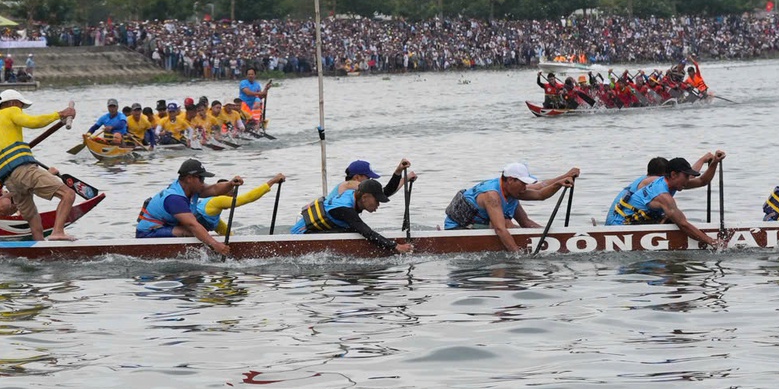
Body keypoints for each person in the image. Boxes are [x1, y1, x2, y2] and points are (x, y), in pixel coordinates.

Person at [0, 90, 79, 240]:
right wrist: (60, 114)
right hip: (23, 170)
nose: (21, 110)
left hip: (9, 180)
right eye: (20, 106)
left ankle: (39, 245)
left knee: (32, 217)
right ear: (11, 104)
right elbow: (33, 122)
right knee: (68, 194)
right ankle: (58, 232)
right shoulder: (11, 111)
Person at [442, 162, 579, 251]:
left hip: (483, 224)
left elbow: (541, 192)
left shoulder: (513, 188)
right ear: (510, 180)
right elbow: (500, 230)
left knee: (525, 223)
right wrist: (518, 256)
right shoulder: (492, 196)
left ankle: (555, 240)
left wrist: (562, 180)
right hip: (459, 229)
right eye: (523, 183)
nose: (525, 188)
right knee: (506, 223)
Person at [605, 153, 725, 247]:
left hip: (633, 219)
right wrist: (712, 242)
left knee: (670, 216)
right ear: (673, 175)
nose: (688, 180)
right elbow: (683, 224)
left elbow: (702, 181)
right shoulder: (662, 195)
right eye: (686, 176)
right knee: (674, 219)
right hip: (619, 225)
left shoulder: (668, 182)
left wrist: (714, 162)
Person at [134, 159, 238, 252]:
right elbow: (193, 225)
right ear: (189, 178)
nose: (203, 182)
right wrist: (215, 244)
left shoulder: (190, 188)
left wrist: (230, 184)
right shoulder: (175, 198)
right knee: (191, 230)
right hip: (148, 233)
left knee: (201, 226)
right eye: (201, 178)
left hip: (167, 226)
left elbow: (215, 189)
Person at [292, 177, 412, 253]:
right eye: (377, 201)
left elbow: (386, 191)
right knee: (356, 231)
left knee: (353, 229)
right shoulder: (345, 209)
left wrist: (399, 172)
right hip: (301, 236)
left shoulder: (353, 194)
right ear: (365, 197)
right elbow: (367, 232)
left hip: (312, 230)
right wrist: (396, 246)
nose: (378, 204)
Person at [190, 172, 285, 236]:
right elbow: (245, 199)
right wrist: (272, 181)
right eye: (230, 192)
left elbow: (229, 235)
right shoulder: (216, 201)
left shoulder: (212, 217)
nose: (232, 195)